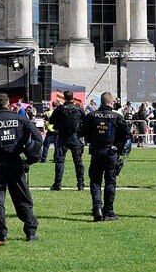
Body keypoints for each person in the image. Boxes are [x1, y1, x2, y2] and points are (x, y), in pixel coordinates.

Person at [0, 92, 41, 241]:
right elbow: (37, 137)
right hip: (16, 163)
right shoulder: (21, 119)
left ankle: (1, 233)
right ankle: (30, 232)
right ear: (8, 104)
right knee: (22, 198)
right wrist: (30, 155)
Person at [82, 92, 131, 222]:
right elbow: (126, 134)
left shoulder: (92, 116)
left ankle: (97, 208)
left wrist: (90, 139)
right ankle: (108, 211)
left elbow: (82, 131)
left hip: (96, 151)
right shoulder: (117, 116)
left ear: (101, 102)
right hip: (111, 152)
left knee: (95, 181)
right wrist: (118, 147)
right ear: (112, 102)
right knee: (110, 182)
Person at [48, 91, 86, 191]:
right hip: (74, 137)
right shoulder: (78, 109)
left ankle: (58, 184)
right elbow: (84, 121)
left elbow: (51, 121)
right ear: (72, 97)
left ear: (64, 97)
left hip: (62, 137)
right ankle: (80, 184)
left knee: (60, 160)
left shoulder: (60, 109)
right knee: (78, 161)